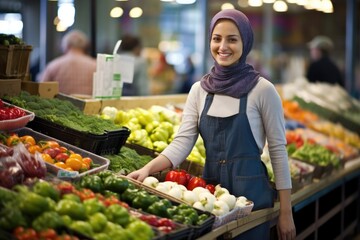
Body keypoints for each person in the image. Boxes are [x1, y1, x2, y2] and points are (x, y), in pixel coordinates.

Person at [128, 9, 296, 240]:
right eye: (217, 38)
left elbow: (278, 150)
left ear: (245, 42)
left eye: (232, 39)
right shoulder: (200, 90)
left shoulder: (263, 90)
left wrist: (286, 212)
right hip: (210, 192)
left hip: (253, 194)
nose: (223, 46)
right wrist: (148, 169)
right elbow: (183, 142)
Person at [37, 29, 96, 96]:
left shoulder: (53, 65)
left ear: (66, 46)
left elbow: (41, 89)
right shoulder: (95, 65)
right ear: (85, 46)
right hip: (90, 106)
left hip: (60, 106)